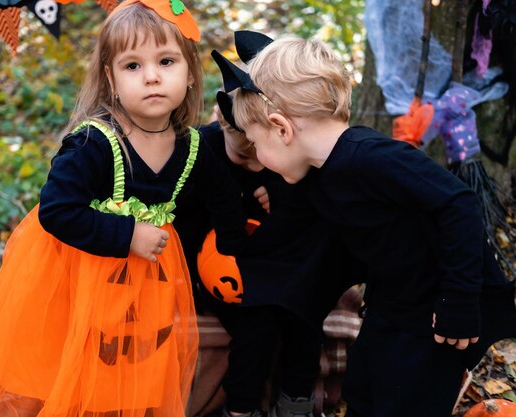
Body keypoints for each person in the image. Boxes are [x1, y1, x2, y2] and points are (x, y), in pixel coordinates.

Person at [0, 2, 250, 417]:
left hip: (150, 282)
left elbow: (224, 206)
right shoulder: (94, 143)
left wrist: (242, 252)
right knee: (82, 355)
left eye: (166, 61)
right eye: (133, 66)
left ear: (188, 74)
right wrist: (127, 234)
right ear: (110, 78)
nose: (151, 76)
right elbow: (56, 211)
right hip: (83, 274)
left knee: (138, 358)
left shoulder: (194, 147)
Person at [215, 34, 516, 417]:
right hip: (391, 305)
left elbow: (458, 204)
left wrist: (459, 301)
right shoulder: (318, 176)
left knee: (406, 402)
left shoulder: (370, 157)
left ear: (281, 128)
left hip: (437, 318)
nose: (255, 154)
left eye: (255, 141)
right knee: (362, 389)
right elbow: (304, 239)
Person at [175, 94, 360, 417]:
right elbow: (183, 218)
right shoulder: (200, 150)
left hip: (276, 259)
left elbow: (305, 204)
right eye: (245, 156)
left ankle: (296, 403)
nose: (258, 164)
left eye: (262, 153)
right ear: (221, 121)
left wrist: (278, 191)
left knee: (302, 317)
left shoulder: (288, 151)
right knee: (256, 328)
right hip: (219, 267)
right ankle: (241, 410)